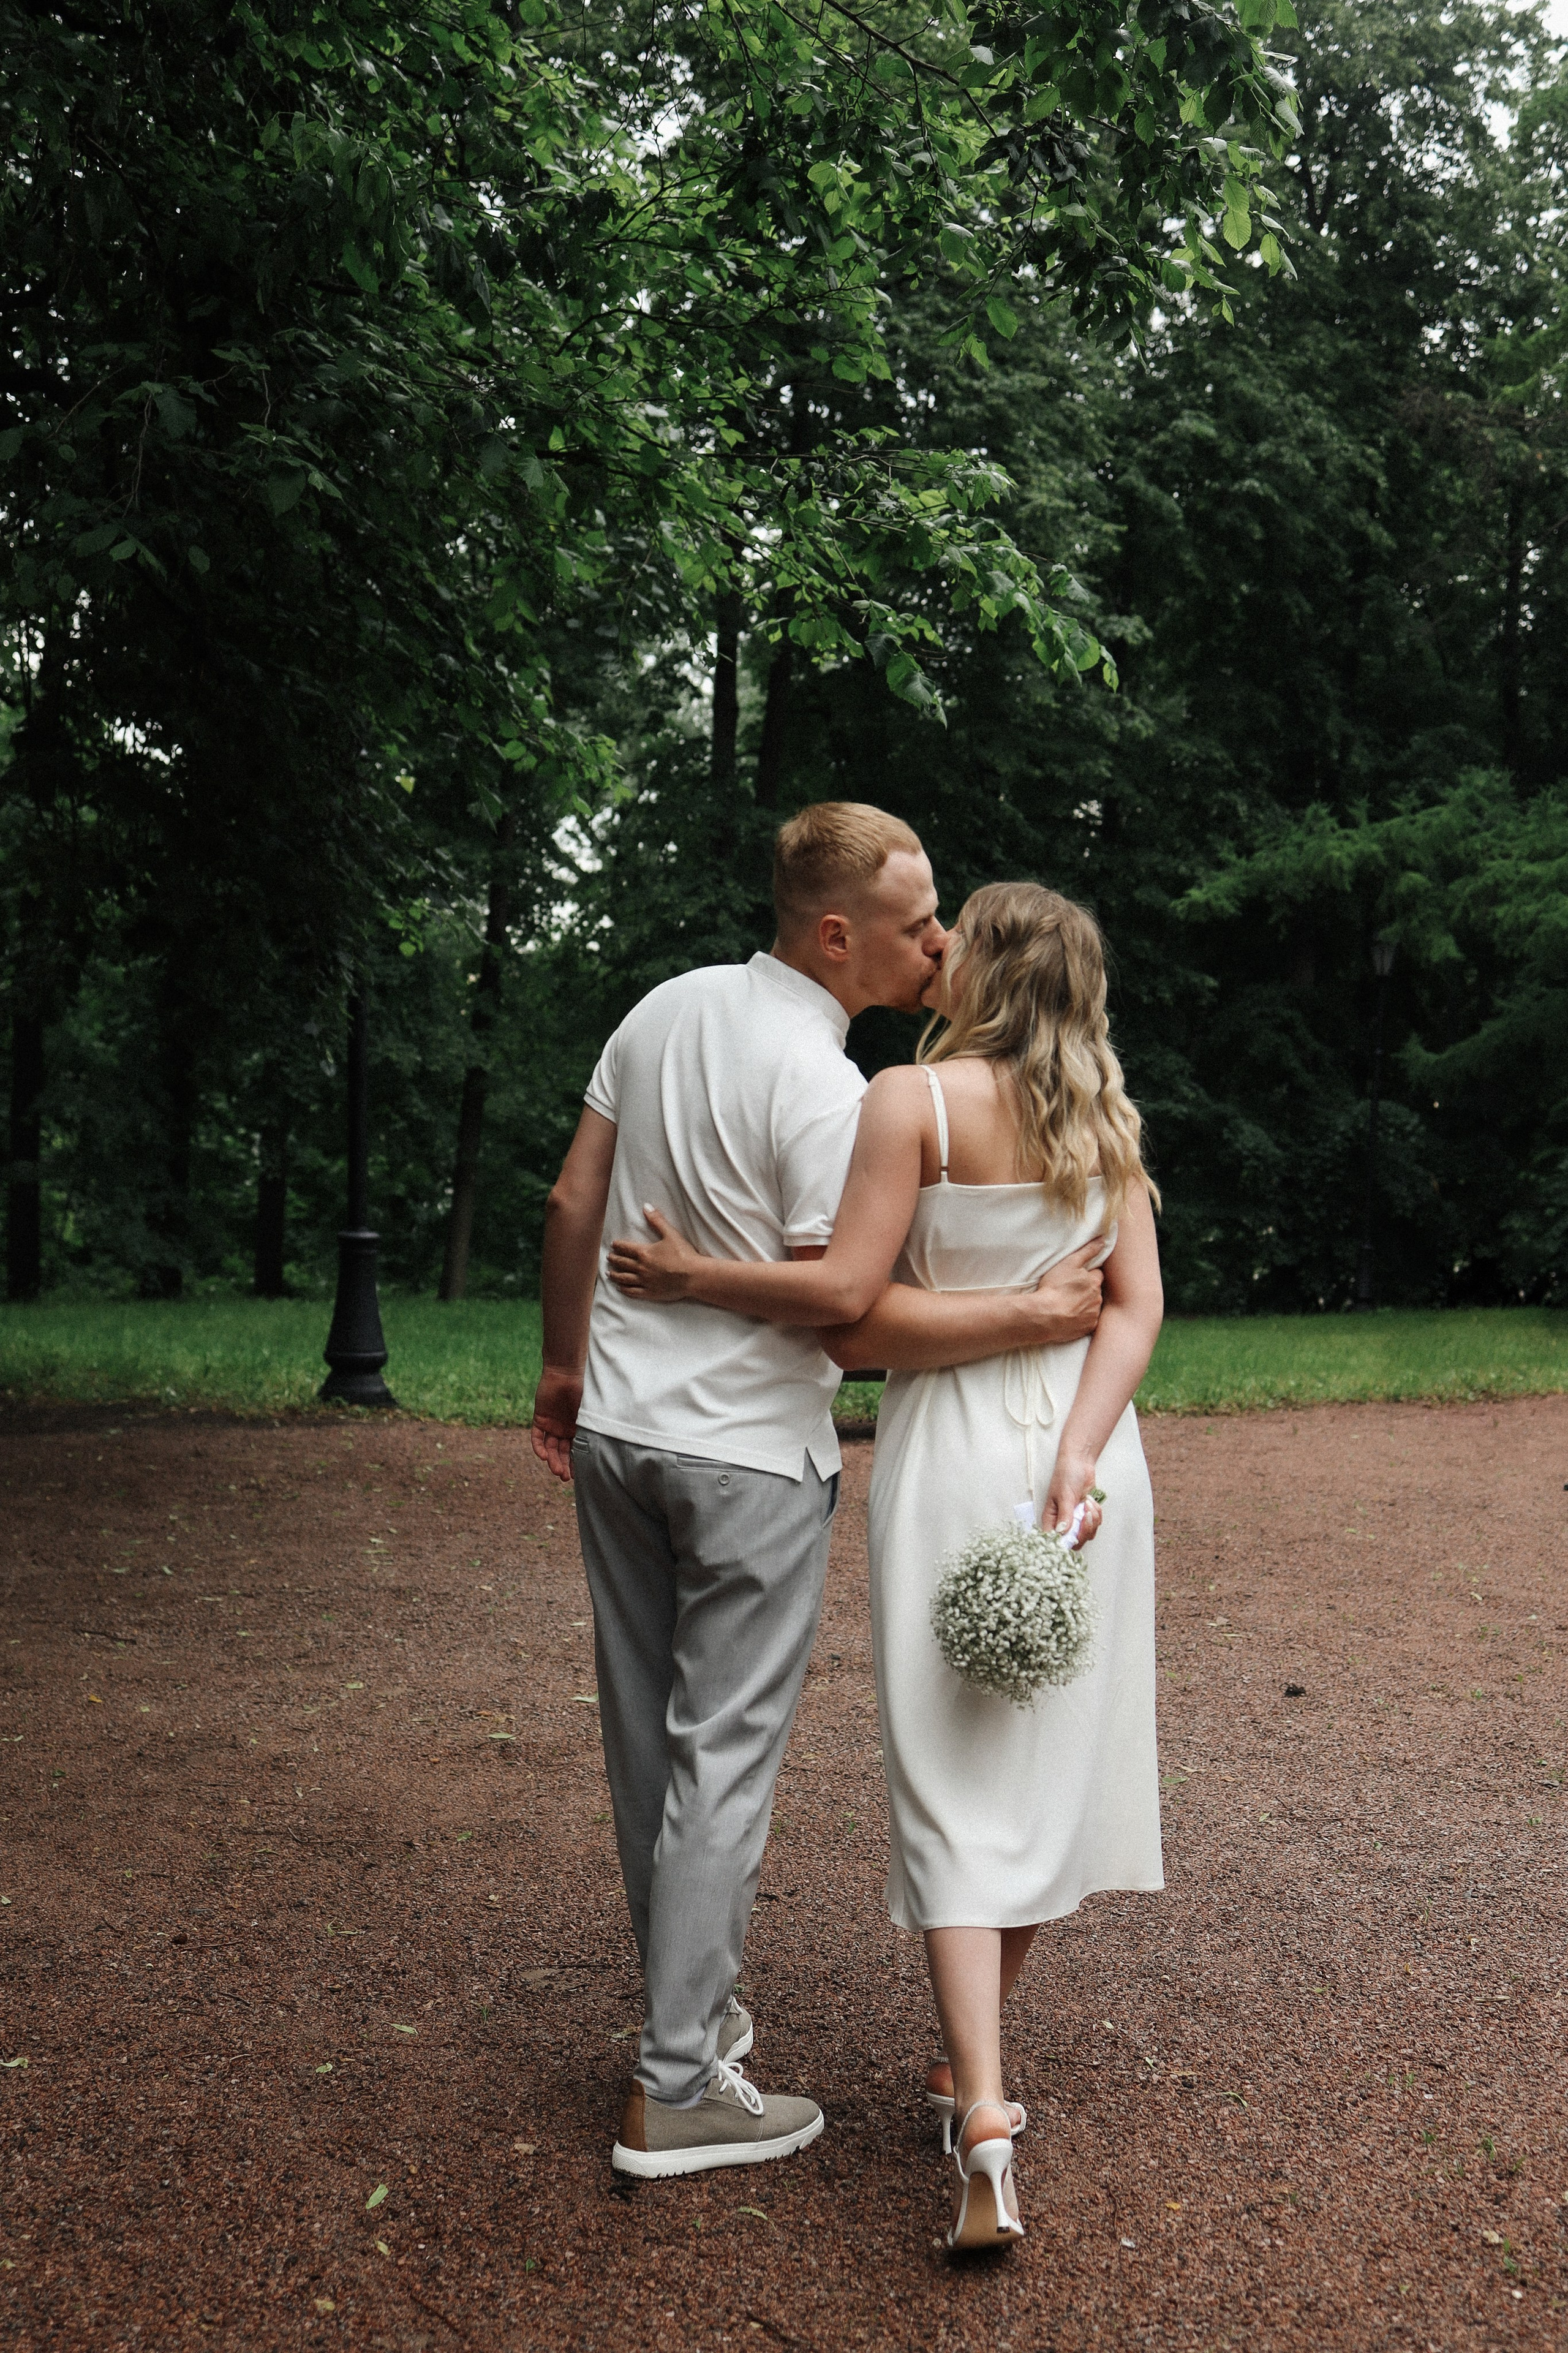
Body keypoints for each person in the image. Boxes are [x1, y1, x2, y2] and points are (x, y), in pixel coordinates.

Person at [531, 812, 1107, 2181]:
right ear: (835, 932)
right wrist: (1031, 1307)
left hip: (617, 1433)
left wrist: (561, 1365)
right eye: (918, 925)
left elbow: (571, 1204)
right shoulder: (824, 1086)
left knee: (647, 1750)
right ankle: (677, 2083)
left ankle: (694, 2014)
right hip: (742, 1455)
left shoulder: (662, 1008)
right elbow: (848, 1313)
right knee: (720, 1754)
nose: (940, 946)